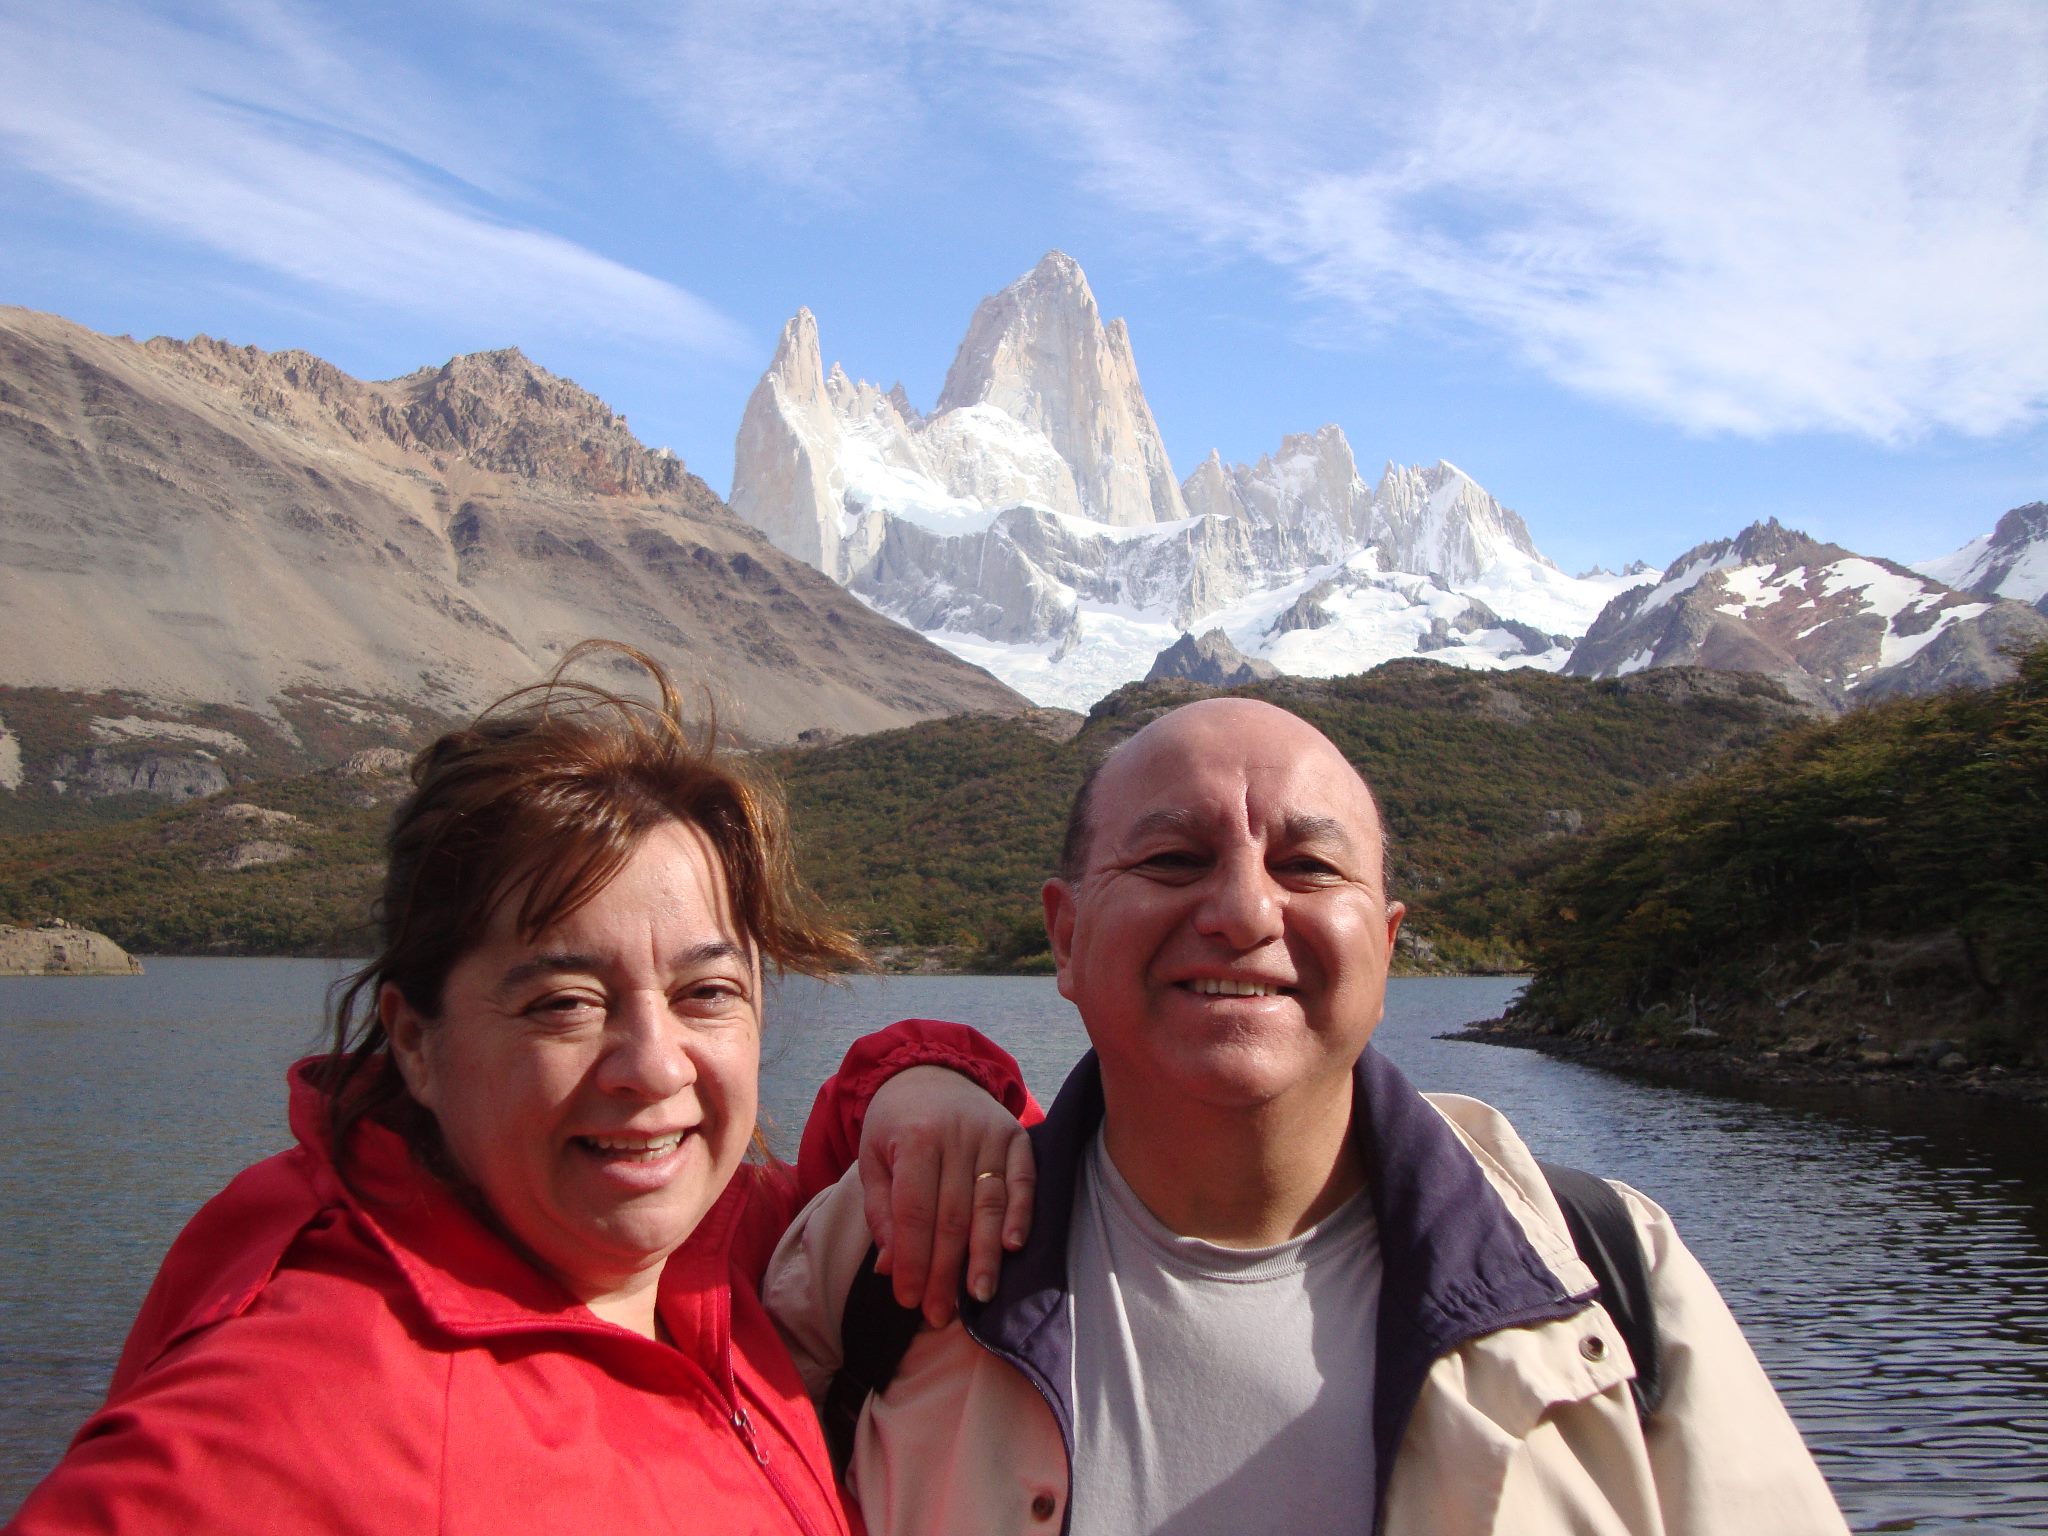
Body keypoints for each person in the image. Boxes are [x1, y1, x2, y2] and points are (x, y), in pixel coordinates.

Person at [6, 644, 1035, 1535]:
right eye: (562, 1004)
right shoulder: (310, 1402)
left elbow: (824, 1179)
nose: (655, 1065)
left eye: (706, 992)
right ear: (414, 1041)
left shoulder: (693, 1252)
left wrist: (924, 1078)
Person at [766, 696, 1850, 1535]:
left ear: (1382, 944)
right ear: (1064, 937)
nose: (1241, 911)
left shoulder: (1606, 1279)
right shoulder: (885, 1256)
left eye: (1306, 866)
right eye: (1171, 860)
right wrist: (910, 1070)